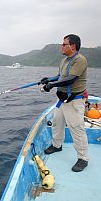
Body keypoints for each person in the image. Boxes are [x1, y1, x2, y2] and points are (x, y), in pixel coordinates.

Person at [40, 34, 88, 172]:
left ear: (72, 46)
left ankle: (83, 158)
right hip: (62, 99)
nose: (61, 46)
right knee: (57, 122)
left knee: (76, 129)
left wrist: (51, 85)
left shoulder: (80, 60)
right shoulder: (64, 60)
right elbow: (61, 77)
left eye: (64, 44)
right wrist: (48, 79)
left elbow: (71, 79)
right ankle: (57, 145)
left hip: (75, 100)